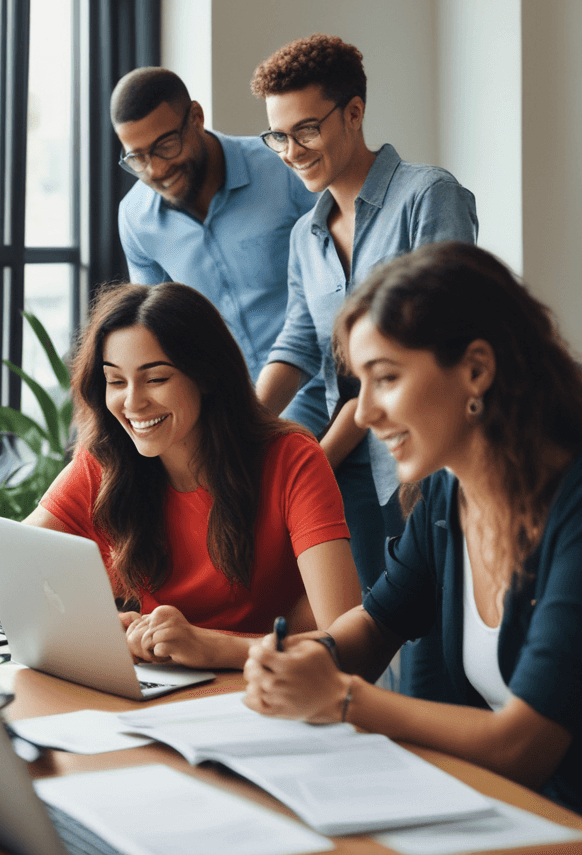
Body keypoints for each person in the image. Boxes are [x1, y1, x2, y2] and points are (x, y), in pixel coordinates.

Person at [244, 243, 582, 815]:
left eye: (386, 379)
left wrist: (343, 697)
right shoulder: (448, 495)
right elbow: (377, 626)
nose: (365, 412)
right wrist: (304, 658)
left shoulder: (572, 508)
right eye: (361, 384)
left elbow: (525, 746)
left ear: (476, 369)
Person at [26, 281, 360, 669]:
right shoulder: (107, 459)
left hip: (269, 689)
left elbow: (346, 641)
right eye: (116, 381)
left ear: (206, 375)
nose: (132, 403)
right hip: (161, 689)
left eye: (156, 379)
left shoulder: (292, 459)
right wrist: (99, 625)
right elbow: (17, 562)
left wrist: (212, 647)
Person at [251, 33, 478, 595]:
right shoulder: (307, 233)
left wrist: (314, 462)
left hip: (424, 454)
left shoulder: (428, 196)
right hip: (351, 470)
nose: (292, 150)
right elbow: (300, 343)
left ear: (354, 113)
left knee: (431, 653)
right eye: (278, 135)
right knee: (368, 634)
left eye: (306, 129)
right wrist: (238, 429)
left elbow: (431, 345)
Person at [111, 66, 324, 431]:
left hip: (323, 389)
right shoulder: (135, 218)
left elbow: (343, 281)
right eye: (138, 158)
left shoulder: (284, 168)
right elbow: (157, 333)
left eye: (165, 146)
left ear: (196, 117)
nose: (156, 170)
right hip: (226, 414)